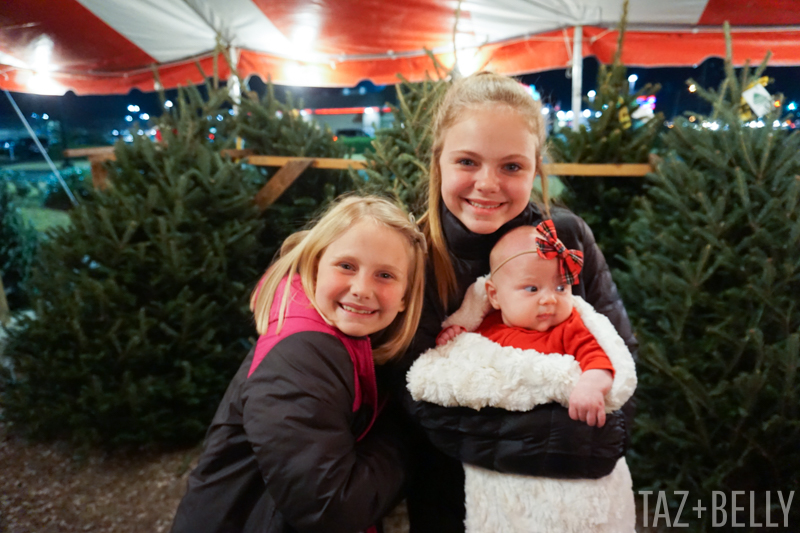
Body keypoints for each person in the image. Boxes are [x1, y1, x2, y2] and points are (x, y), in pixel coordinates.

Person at [391, 71, 638, 532]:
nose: (488, 184)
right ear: (438, 160)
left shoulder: (566, 237)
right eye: (467, 161)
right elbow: (417, 400)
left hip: (570, 506)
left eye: (511, 166)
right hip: (452, 503)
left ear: (535, 167)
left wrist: (605, 436)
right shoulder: (412, 253)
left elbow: (620, 354)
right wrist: (568, 441)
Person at [171, 195, 428, 533]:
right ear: (316, 265)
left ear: (406, 297)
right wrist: (408, 425)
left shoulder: (341, 338)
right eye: (346, 266)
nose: (362, 289)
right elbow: (332, 509)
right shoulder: (300, 359)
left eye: (385, 275)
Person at [407, 222, 637, 531]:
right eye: (532, 289)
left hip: (562, 462)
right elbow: (460, 362)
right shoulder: (487, 330)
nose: (549, 300)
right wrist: (454, 333)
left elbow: (599, 358)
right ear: (495, 295)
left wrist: (591, 383)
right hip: (499, 463)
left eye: (560, 288)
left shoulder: (569, 328)